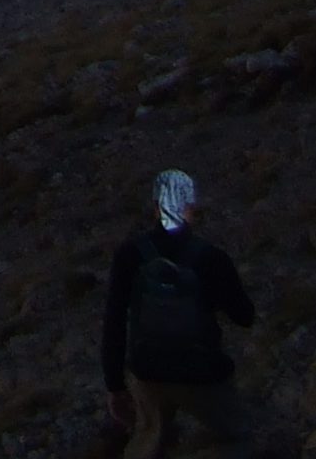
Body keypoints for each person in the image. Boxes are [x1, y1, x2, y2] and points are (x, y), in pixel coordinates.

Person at [102, 169, 257, 454]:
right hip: (202, 372)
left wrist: (114, 385)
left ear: (156, 204)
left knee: (148, 444)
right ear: (191, 204)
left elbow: (114, 321)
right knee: (239, 437)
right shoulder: (212, 257)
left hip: (148, 373)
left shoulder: (130, 255)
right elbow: (244, 317)